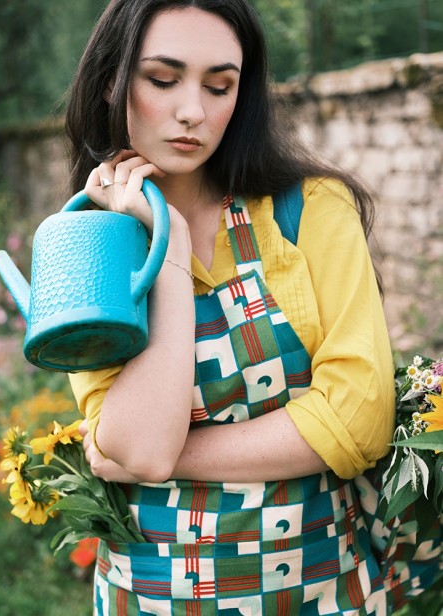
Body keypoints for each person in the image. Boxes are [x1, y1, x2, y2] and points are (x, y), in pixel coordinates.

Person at [64, 1, 432, 613]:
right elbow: (140, 447)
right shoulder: (87, 246)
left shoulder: (309, 209)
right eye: (162, 79)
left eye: (220, 86)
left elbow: (358, 419)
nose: (194, 112)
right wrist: (171, 248)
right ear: (111, 83)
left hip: (320, 593)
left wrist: (167, 456)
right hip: (150, 597)